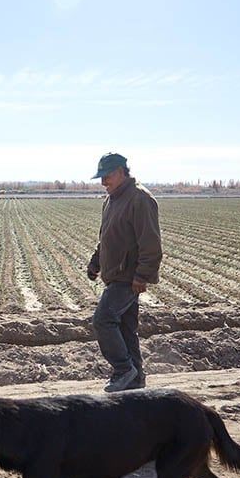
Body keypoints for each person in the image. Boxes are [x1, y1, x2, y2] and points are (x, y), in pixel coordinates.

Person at [86, 153, 163, 392]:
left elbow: (151, 243)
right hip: (116, 276)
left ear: (121, 172)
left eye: (106, 176)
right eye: (100, 177)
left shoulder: (139, 199)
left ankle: (123, 370)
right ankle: (136, 382)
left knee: (103, 320)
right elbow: (107, 238)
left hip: (128, 278)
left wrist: (142, 276)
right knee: (126, 330)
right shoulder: (111, 200)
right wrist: (96, 262)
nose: (103, 182)